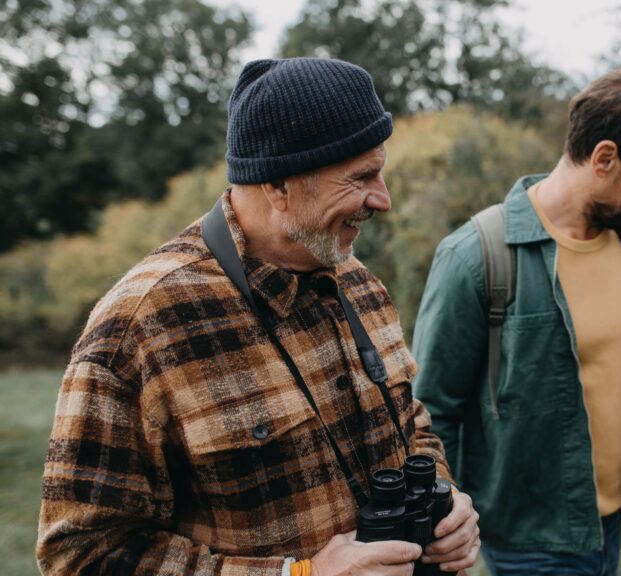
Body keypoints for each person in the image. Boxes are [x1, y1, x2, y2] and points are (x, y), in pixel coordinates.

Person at [37, 58, 480, 576]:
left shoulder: (360, 283)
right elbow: (81, 553)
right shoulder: (143, 325)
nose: (383, 199)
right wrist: (300, 574)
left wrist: (445, 497)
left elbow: (411, 427)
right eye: (361, 177)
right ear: (278, 186)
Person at [411, 67, 621, 575]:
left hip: (608, 523)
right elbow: (431, 408)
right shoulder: (475, 255)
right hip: (528, 535)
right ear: (605, 158)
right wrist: (444, 529)